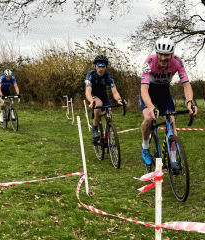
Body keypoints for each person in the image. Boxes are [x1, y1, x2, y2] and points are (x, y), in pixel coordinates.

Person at [140, 36, 198, 172]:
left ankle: (173, 158)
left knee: (171, 121)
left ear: (172, 54)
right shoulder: (149, 62)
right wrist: (151, 106)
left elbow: (186, 85)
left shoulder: (177, 62)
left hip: (164, 92)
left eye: (166, 55)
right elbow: (143, 89)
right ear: (156, 53)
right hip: (149, 91)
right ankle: (145, 146)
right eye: (160, 54)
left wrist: (190, 102)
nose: (163, 58)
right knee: (148, 118)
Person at [85, 55, 126, 142]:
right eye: (99, 67)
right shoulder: (90, 75)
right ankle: (95, 130)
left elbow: (114, 91)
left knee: (109, 113)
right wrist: (92, 101)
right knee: (98, 104)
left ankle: (107, 136)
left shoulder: (108, 76)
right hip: (94, 95)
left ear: (105, 67)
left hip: (104, 96)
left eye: (103, 67)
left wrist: (119, 100)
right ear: (95, 66)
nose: (101, 69)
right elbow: (88, 92)